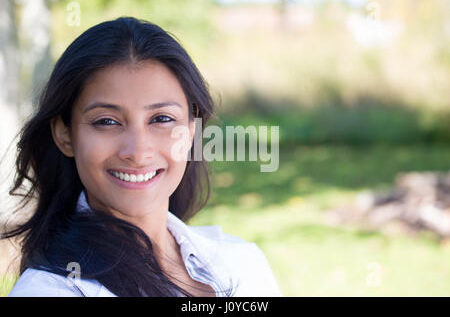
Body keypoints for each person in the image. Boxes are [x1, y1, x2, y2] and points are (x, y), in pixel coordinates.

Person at [4, 17, 281, 297]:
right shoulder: (48, 291)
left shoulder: (245, 264)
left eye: (161, 118)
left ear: (190, 131)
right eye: (107, 121)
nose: (137, 152)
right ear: (65, 135)